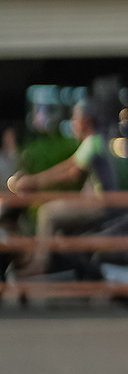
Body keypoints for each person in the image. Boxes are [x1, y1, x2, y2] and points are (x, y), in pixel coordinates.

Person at [7, 99, 119, 278]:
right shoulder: (95, 141)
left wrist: (34, 182)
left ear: (86, 121)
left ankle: (40, 264)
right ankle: (66, 266)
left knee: (47, 213)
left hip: (99, 205)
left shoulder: (92, 142)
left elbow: (70, 172)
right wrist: (36, 182)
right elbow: (69, 168)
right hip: (98, 203)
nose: (73, 124)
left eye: (75, 119)